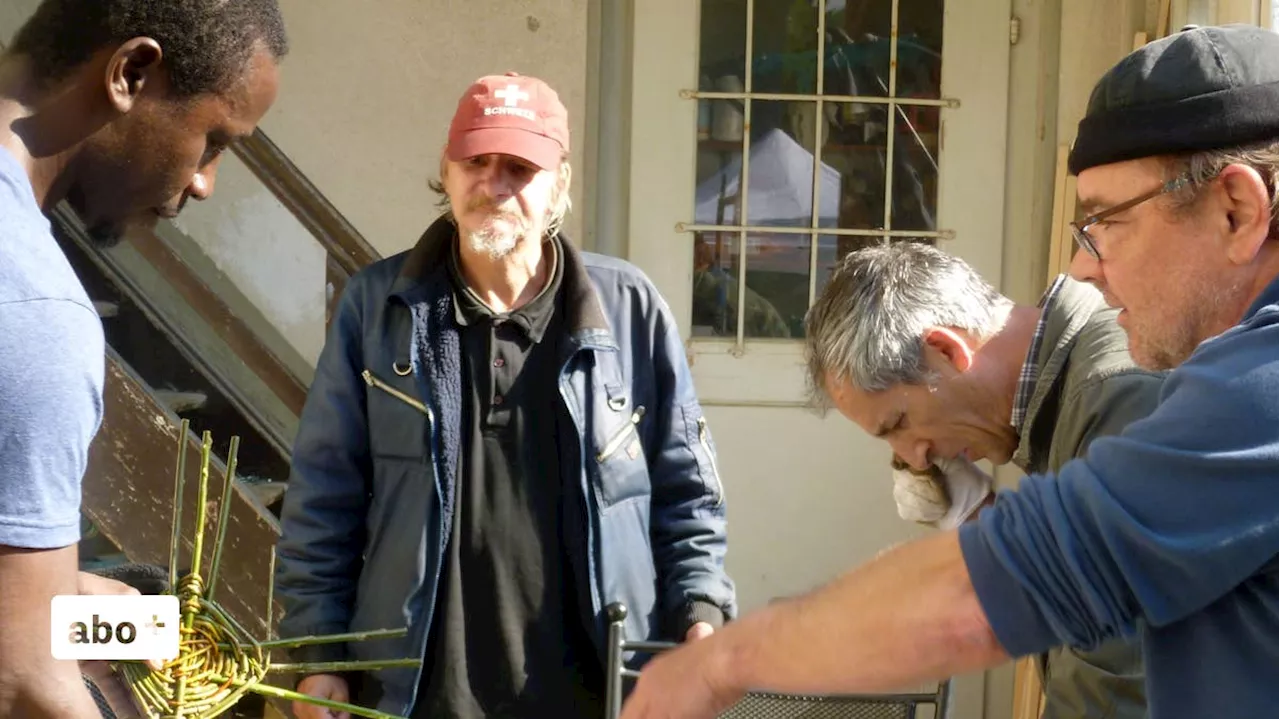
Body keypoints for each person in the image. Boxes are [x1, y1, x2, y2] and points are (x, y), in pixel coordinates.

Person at [618, 23, 1280, 719]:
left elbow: (1001, 599)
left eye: (1105, 222)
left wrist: (723, 662)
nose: (1085, 265)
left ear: (1237, 211)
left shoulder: (1239, 389)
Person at [273, 71, 736, 719]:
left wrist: (700, 616)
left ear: (560, 185)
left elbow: (689, 496)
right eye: (476, 161)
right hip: (418, 692)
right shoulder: (378, 307)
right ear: (447, 169)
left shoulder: (628, 311)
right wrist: (319, 653)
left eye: (519, 166)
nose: (494, 184)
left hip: (600, 689)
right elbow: (324, 495)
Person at [0, 1, 287, 716]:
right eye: (214, 140)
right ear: (130, 72)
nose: (203, 183)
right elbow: (22, 683)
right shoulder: (37, 313)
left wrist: (106, 609)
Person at [804, 242, 1162, 719]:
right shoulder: (1072, 402)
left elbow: (1119, 670)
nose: (915, 457)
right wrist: (977, 517)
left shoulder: (1112, 401)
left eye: (898, 424)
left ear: (947, 349)